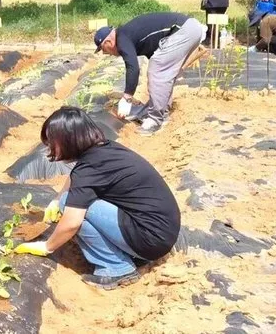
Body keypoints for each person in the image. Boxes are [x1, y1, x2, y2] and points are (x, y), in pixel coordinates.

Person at [14, 106, 181, 290]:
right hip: (162, 231)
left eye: (52, 142)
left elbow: (71, 223)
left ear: (67, 140)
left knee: (70, 206)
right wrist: (56, 199)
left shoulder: (89, 169)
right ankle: (127, 253)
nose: (50, 148)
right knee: (66, 200)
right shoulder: (104, 150)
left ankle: (117, 268)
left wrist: (47, 246)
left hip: (150, 240)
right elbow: (76, 177)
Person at [94, 12, 205, 135]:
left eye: (103, 50)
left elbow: (133, 67)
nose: (106, 53)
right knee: (162, 72)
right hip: (188, 29)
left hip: (182, 30)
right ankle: (162, 110)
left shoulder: (122, 38)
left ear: (108, 43)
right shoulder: (129, 35)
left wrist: (127, 97)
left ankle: (155, 120)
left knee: (157, 69)